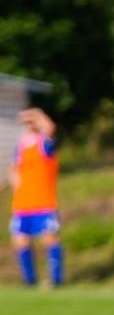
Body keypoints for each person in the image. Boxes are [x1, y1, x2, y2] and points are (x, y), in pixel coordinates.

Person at [9, 108, 64, 287]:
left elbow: (50, 128)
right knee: (20, 240)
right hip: (22, 204)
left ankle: (56, 281)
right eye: (27, 122)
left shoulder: (44, 145)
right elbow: (14, 170)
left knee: (49, 239)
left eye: (32, 122)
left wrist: (38, 114)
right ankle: (30, 281)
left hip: (44, 202)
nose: (29, 125)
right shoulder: (21, 148)